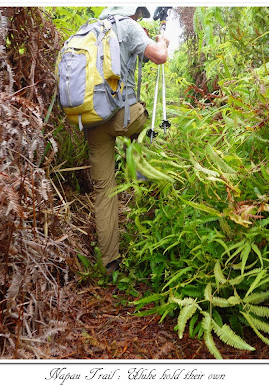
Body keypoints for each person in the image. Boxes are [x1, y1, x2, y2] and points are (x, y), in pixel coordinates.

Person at [86, 6, 169, 274]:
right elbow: (159, 57)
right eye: (138, 14)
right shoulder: (128, 26)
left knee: (104, 192)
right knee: (147, 128)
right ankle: (146, 194)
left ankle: (110, 264)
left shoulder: (93, 31)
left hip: (93, 119)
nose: (138, 18)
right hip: (124, 117)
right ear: (131, 11)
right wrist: (162, 41)